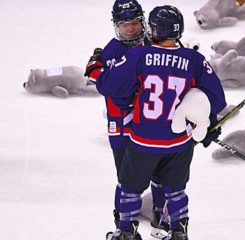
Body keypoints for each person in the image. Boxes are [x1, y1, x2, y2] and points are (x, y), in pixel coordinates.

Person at [96, 5, 227, 240]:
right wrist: (207, 122)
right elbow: (217, 100)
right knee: (175, 189)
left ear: (153, 29)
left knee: (129, 187)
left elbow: (110, 87)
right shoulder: (194, 59)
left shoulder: (139, 55)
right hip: (179, 142)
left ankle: (126, 232)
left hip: (144, 140)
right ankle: (178, 232)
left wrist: (100, 69)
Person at [84, 0, 168, 238]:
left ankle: (160, 211)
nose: (130, 29)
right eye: (124, 25)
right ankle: (122, 216)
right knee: (127, 176)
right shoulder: (112, 51)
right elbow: (111, 88)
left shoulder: (154, 42)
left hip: (151, 122)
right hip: (121, 124)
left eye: (134, 23)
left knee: (160, 169)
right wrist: (95, 69)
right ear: (116, 26)